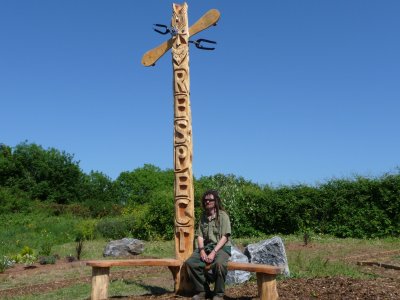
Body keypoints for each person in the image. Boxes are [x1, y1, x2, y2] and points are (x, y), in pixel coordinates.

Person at [186, 190, 232, 300]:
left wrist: (213, 252)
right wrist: (201, 250)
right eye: (205, 200)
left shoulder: (223, 216)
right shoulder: (203, 216)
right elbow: (200, 236)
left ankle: (218, 294)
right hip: (206, 247)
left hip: (222, 247)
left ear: (216, 201)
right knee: (191, 263)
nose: (207, 202)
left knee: (219, 264)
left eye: (210, 200)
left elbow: (225, 237)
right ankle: (203, 291)